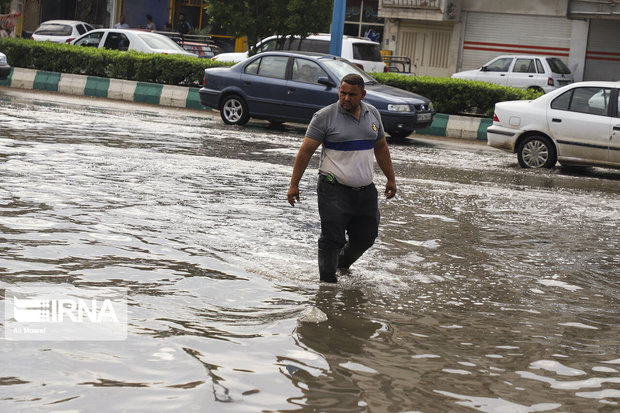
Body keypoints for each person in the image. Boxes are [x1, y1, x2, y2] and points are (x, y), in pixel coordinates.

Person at [287, 73, 397, 283]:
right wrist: (294, 185)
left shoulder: (372, 114)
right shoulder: (324, 116)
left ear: (362, 94)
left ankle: (341, 264)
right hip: (333, 189)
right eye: (342, 93)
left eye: (352, 94)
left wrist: (391, 179)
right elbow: (305, 152)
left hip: (365, 191)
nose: (346, 98)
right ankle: (327, 285)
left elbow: (381, 147)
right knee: (332, 239)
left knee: (367, 237)